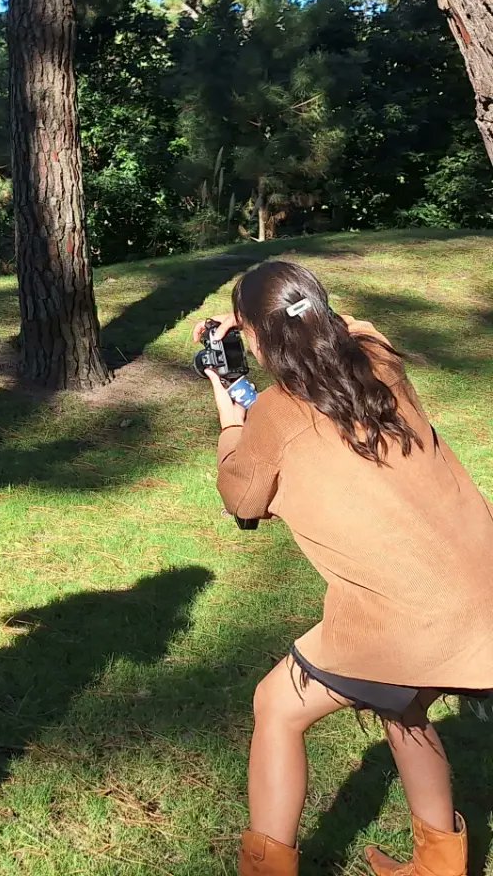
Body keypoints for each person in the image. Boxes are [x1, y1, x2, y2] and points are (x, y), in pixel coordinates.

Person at [199, 259, 493, 876]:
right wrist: (285, 315)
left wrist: (230, 413)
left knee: (277, 706)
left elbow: (242, 498)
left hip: (409, 616)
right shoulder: (378, 362)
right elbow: (355, 328)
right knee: (400, 701)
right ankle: (440, 864)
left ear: (254, 339)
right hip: (481, 591)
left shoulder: (274, 415)